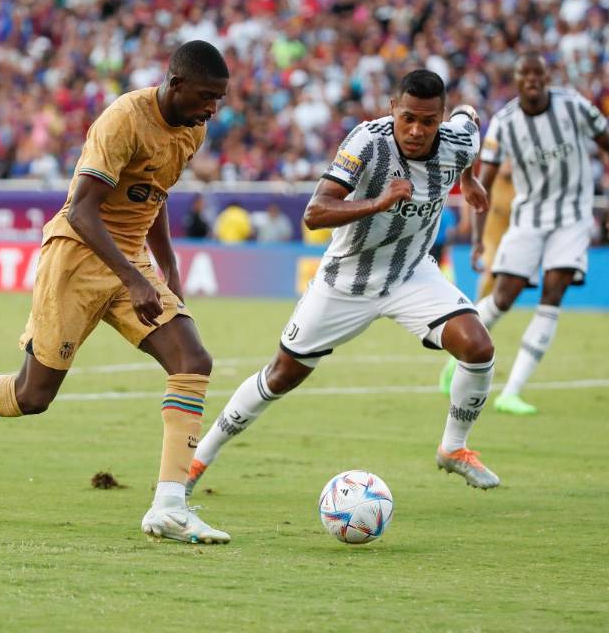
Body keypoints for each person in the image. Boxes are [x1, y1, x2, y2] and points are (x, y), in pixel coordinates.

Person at [0, 41, 232, 544]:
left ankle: (169, 506)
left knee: (192, 361)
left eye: (219, 99)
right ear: (176, 84)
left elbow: (154, 191)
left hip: (130, 260)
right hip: (78, 256)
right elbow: (81, 209)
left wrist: (164, 263)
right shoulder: (123, 119)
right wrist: (134, 278)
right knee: (31, 395)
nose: (213, 109)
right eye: (208, 96)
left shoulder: (192, 129)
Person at [186, 70, 502, 499]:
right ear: (393, 108)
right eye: (407, 117)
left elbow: (471, 119)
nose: (416, 130)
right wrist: (379, 201)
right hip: (345, 281)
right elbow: (315, 213)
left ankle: (453, 448)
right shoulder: (367, 142)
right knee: (282, 375)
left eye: (428, 121)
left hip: (411, 272)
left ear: (440, 119)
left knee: (478, 347)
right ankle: (200, 456)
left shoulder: (457, 141)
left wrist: (468, 178)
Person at [462, 52, 609, 415]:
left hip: (572, 217)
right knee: (503, 297)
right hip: (529, 218)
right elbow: (482, 182)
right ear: (517, 79)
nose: (533, 79)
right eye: (525, 74)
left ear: (547, 76)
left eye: (539, 73)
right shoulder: (504, 122)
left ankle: (512, 391)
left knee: (554, 292)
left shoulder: (573, 107)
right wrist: (477, 236)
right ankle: (455, 359)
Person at [438, 163, 514, 393]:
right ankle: (457, 359)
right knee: (491, 279)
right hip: (491, 243)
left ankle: (459, 356)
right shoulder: (491, 175)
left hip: (513, 244)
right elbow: (470, 192)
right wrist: (473, 231)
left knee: (498, 306)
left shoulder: (524, 183)